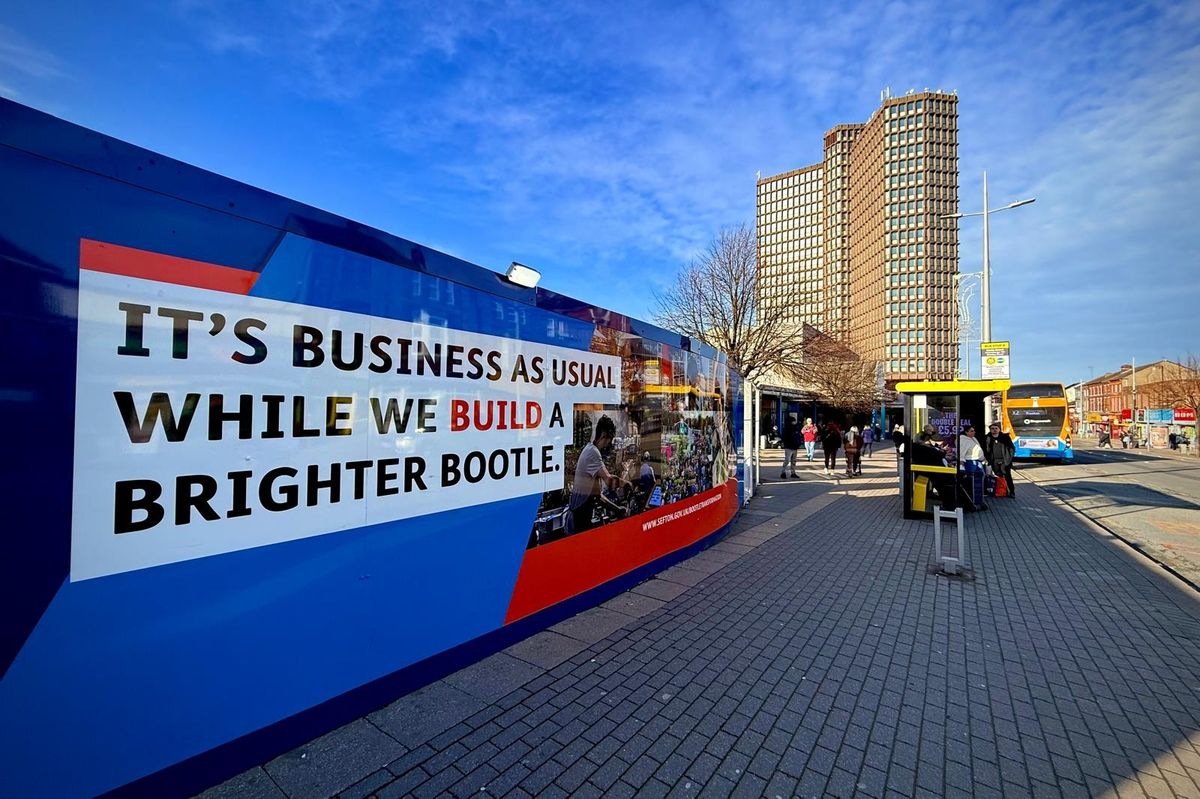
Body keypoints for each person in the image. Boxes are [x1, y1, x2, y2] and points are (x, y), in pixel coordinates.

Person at [566, 415, 629, 535]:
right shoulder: (593, 453)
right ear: (604, 435)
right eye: (610, 439)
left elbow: (597, 496)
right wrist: (627, 484)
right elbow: (610, 482)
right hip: (579, 520)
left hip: (580, 518)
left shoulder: (589, 449)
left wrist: (617, 509)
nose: (609, 444)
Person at [983, 422, 1016, 498]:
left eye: (996, 428)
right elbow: (985, 449)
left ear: (999, 429)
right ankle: (1002, 491)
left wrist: (1009, 458)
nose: (994, 430)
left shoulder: (1005, 437)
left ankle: (1011, 492)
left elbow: (1012, 448)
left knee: (1007, 476)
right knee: (999, 476)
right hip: (994, 460)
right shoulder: (987, 438)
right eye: (992, 429)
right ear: (990, 430)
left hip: (1005, 460)